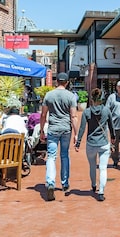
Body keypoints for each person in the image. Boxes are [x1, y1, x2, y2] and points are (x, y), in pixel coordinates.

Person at [40, 72, 78, 201]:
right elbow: (73, 116)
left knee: (51, 156)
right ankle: (65, 183)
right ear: (67, 82)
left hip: (53, 129)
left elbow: (43, 115)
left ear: (57, 81)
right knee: (64, 155)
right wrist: (76, 133)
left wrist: (41, 130)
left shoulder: (49, 95)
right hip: (66, 129)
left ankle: (50, 182)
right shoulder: (71, 96)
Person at [75, 88, 112, 201]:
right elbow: (111, 126)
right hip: (104, 143)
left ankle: (93, 185)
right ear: (102, 99)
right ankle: (101, 192)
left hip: (91, 143)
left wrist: (78, 142)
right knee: (103, 168)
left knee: (92, 166)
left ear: (91, 99)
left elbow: (82, 128)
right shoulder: (106, 110)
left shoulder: (87, 112)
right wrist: (113, 137)